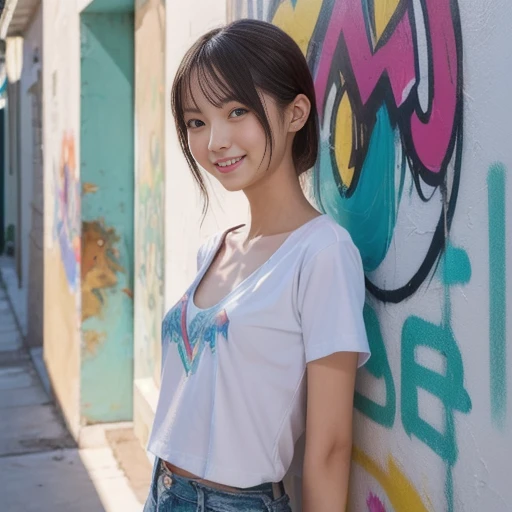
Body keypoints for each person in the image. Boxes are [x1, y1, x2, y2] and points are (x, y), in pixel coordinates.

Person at [143, 18, 370, 512]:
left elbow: (330, 447)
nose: (215, 140)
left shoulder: (322, 253)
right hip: (162, 491)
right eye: (197, 121)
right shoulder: (215, 248)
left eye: (237, 111)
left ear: (296, 113)